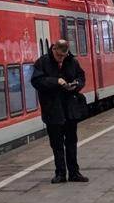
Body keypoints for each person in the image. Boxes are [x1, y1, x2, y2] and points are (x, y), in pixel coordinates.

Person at [31, 38, 88, 183]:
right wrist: (55, 81)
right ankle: (60, 173)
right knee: (56, 144)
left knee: (71, 142)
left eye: (64, 56)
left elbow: (81, 77)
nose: (61, 59)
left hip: (70, 109)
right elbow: (36, 81)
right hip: (52, 110)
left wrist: (76, 85)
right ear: (54, 49)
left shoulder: (72, 61)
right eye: (59, 56)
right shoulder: (42, 62)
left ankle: (74, 173)